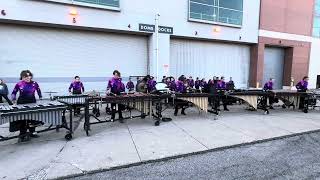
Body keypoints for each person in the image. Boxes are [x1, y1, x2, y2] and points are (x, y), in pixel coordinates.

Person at [11, 70, 43, 142]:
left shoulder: (35, 83)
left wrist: (40, 97)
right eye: (25, 76)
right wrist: (13, 100)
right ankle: (22, 133)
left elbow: (38, 90)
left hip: (32, 102)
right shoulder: (19, 84)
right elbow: (14, 92)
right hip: (21, 103)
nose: (28, 77)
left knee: (32, 118)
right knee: (22, 119)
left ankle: (32, 132)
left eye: (29, 76)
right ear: (22, 77)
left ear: (31, 76)